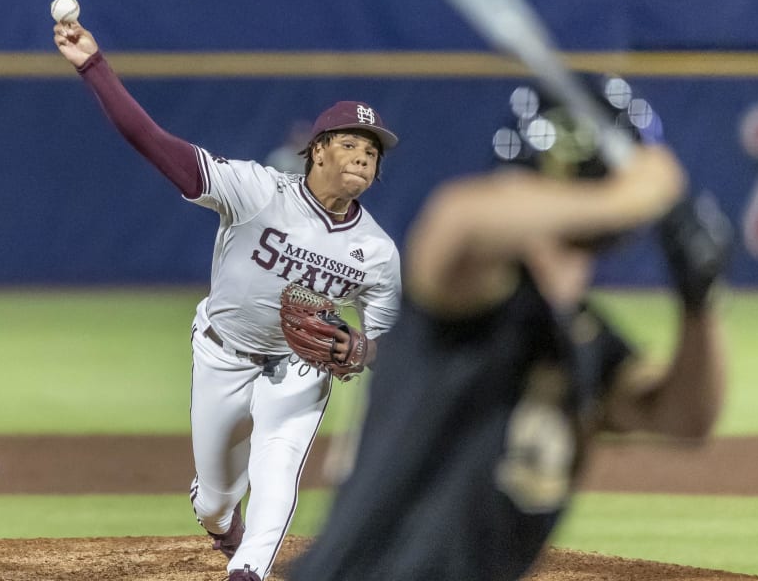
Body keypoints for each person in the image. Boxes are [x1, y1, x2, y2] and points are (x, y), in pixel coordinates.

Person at [289, 78, 732, 581]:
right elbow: (458, 220)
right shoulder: (465, 299)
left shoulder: (581, 337)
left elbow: (685, 419)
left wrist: (702, 304)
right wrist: (631, 196)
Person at [53, 21, 403, 581]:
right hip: (222, 355)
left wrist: (361, 351)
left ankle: (248, 570)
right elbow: (154, 143)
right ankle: (221, 526)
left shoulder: (378, 252)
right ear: (316, 151)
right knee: (215, 502)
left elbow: (391, 343)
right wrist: (94, 66)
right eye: (350, 144)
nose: (363, 156)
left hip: (299, 369)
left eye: (372, 150)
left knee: (278, 473)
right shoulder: (257, 191)